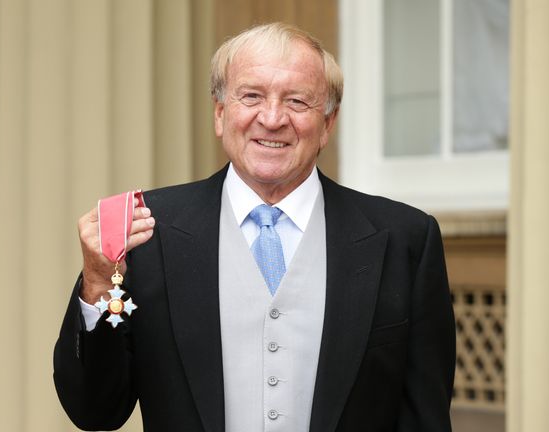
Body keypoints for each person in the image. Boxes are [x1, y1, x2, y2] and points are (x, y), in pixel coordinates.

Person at [54, 22, 455, 432]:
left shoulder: (405, 239)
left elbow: (424, 418)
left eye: (297, 101)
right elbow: (95, 409)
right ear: (220, 113)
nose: (273, 118)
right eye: (251, 96)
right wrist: (99, 286)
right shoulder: (145, 230)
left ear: (328, 124)